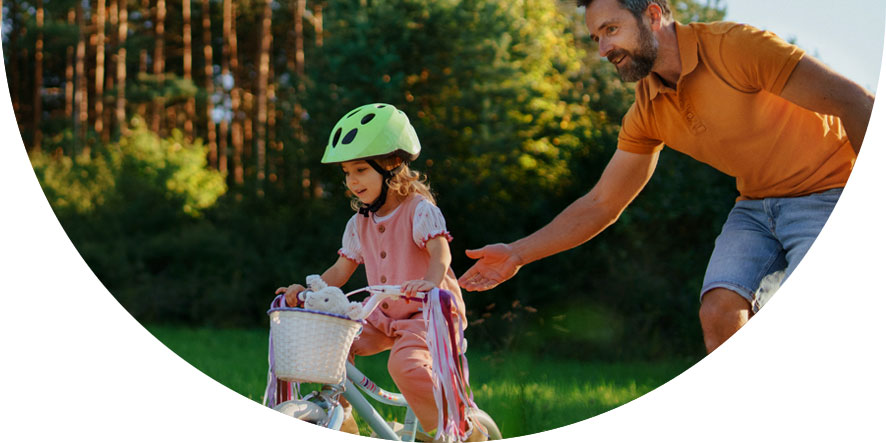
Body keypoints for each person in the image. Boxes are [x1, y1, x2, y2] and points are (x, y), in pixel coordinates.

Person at [458, 0, 875, 353]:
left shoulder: (738, 48)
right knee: (719, 312)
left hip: (831, 191)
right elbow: (603, 202)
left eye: (611, 29)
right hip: (755, 207)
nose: (603, 49)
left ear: (653, 15)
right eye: (596, 38)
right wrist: (517, 253)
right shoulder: (648, 110)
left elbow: (858, 102)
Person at [276, 103, 486, 441]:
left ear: (391, 166)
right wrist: (308, 291)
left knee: (405, 367)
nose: (351, 180)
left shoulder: (419, 210)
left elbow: (440, 253)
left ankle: (454, 431)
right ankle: (341, 415)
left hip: (426, 314)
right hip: (381, 314)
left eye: (360, 169)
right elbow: (342, 269)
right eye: (346, 172)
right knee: (332, 344)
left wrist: (429, 285)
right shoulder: (360, 222)